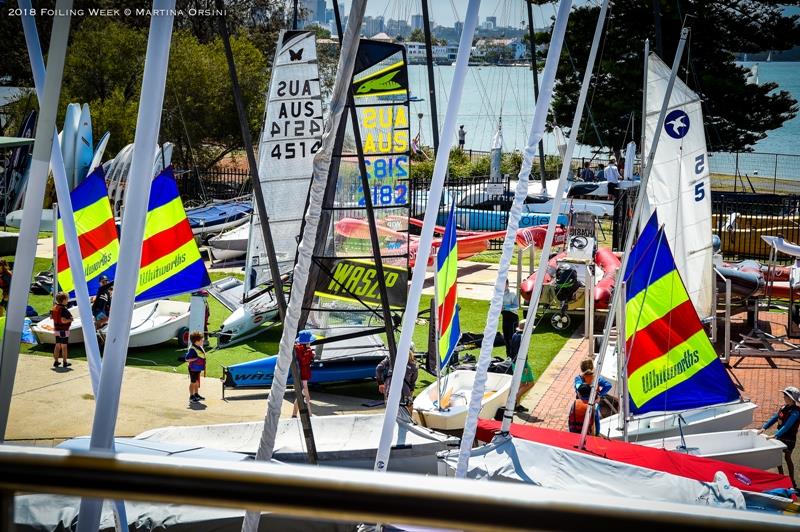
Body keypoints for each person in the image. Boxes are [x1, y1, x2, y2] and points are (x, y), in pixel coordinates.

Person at [760, 386, 800, 487]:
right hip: (779, 436)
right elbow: (775, 417)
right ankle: (782, 477)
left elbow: (787, 426)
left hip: (789, 438)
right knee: (777, 458)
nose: (783, 397)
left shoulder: (796, 412)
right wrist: (764, 427)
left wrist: (775, 434)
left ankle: (792, 480)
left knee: (787, 457)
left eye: (785, 395)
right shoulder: (783, 407)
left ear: (791, 398)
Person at [376, 345, 419, 415]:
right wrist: (410, 394)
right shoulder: (414, 366)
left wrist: (380, 383)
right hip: (405, 391)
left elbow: (378, 368)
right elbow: (412, 383)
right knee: (409, 412)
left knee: (390, 412)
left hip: (389, 387)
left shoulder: (390, 358)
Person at [510, 320, 535, 412]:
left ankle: (517, 404)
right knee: (530, 383)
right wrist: (524, 367)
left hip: (515, 363)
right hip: (521, 364)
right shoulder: (522, 337)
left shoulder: (515, 335)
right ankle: (514, 399)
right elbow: (521, 354)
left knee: (521, 384)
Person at [292, 330, 316, 418]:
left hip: (302, 375)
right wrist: (310, 351)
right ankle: (310, 415)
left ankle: (294, 415)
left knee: (301, 396)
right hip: (302, 375)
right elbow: (304, 361)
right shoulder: (300, 349)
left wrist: (310, 353)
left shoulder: (300, 348)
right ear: (306, 342)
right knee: (306, 397)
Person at [50, 291, 73, 368]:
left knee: (57, 346)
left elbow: (51, 317)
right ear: (63, 300)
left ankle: (56, 361)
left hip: (56, 330)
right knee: (64, 347)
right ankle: (65, 362)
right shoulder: (64, 310)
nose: (68, 300)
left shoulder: (54, 308)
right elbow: (63, 320)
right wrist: (70, 320)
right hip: (63, 331)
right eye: (67, 299)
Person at [184, 331, 207, 403]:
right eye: (201, 340)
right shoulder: (192, 349)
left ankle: (196, 394)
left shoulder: (199, 347)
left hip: (198, 368)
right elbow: (187, 359)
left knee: (197, 381)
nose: (203, 341)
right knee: (193, 382)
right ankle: (191, 396)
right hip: (193, 368)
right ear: (197, 341)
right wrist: (195, 359)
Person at [501, 279, 519, 358]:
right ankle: (508, 356)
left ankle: (514, 356)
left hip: (513, 318)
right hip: (505, 318)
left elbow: (516, 306)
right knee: (505, 338)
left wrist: (504, 307)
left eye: (504, 284)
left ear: (507, 284)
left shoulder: (512, 294)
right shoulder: (498, 294)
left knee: (511, 338)